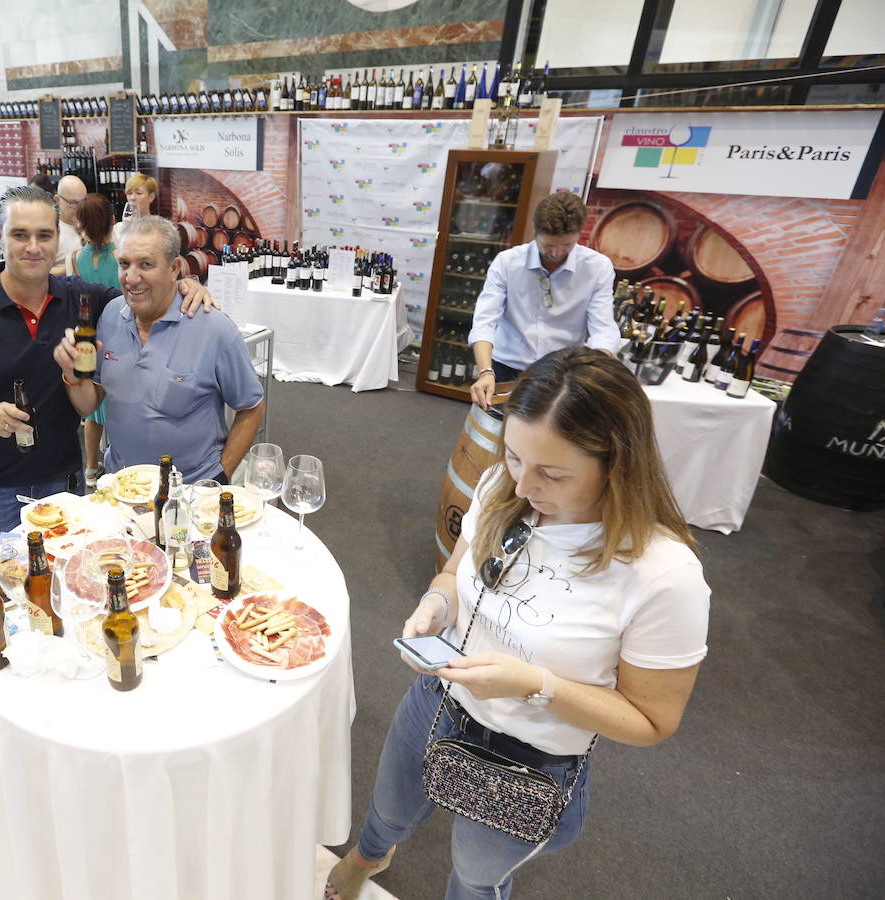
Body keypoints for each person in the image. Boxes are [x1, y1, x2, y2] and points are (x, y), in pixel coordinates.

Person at [325, 346, 710, 900]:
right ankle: (369, 855)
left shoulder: (663, 575)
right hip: (441, 696)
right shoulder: (499, 491)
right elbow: (457, 573)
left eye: (552, 474)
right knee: (388, 806)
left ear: (617, 465)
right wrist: (438, 604)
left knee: (477, 874)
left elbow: (651, 720)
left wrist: (535, 685)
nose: (525, 487)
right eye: (512, 457)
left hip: (533, 758)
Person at [0, 186, 215, 552]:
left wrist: (183, 282)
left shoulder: (81, 298)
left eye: (44, 235)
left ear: (59, 237)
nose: (33, 247)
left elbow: (142, 289)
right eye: (20, 235)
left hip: (64, 482)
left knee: (70, 583)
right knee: (7, 589)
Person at [56, 215, 264, 484]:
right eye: (124, 264)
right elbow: (89, 405)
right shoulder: (109, 315)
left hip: (190, 491)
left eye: (146, 264)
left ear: (175, 268)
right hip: (122, 487)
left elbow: (252, 407)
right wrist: (72, 377)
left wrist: (220, 476)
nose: (131, 277)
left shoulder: (215, 329)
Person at [468, 192, 618, 410]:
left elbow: (603, 330)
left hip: (562, 374)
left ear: (579, 234)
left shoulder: (597, 267)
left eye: (566, 245)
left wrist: (591, 372)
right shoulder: (508, 262)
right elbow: (484, 322)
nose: (556, 253)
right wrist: (485, 371)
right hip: (505, 367)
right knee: (493, 435)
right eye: (548, 245)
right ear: (534, 230)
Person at [65, 195, 118, 483]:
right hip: (120, 334)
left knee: (91, 409)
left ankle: (90, 469)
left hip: (88, 336)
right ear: (112, 220)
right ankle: (119, 462)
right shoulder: (122, 257)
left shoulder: (76, 258)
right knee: (120, 401)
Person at [50, 175, 87, 276]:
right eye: (73, 203)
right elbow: (39, 272)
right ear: (57, 200)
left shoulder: (91, 224)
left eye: (83, 202)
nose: (80, 208)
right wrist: (74, 267)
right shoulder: (49, 232)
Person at [111, 172, 157, 246]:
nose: (132, 198)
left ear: (151, 197)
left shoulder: (158, 228)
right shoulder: (118, 229)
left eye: (139, 193)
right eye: (129, 193)